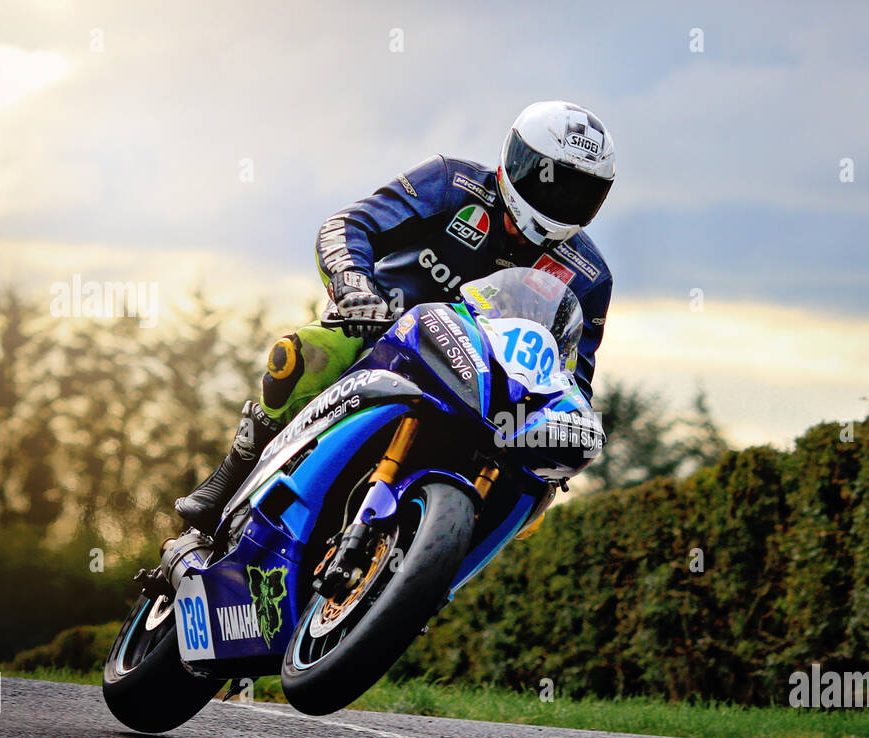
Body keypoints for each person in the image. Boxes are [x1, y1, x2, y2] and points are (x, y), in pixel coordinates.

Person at [175, 100, 617, 531]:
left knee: (534, 487)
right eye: (553, 182)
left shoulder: (590, 276)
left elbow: (572, 378)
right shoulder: (451, 181)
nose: (562, 199)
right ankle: (242, 460)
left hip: (487, 394)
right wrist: (353, 282)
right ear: (516, 161)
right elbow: (350, 225)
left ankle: (435, 567)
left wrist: (566, 427)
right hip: (383, 337)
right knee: (307, 352)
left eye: (580, 192)